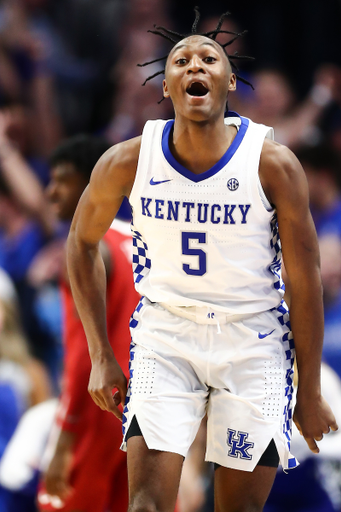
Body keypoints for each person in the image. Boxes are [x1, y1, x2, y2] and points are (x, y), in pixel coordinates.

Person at [66, 9, 338, 512]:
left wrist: (311, 389)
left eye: (209, 58)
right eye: (181, 60)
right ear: (166, 85)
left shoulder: (272, 163)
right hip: (165, 336)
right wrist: (102, 353)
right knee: (145, 505)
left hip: (252, 341)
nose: (195, 66)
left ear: (230, 81)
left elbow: (305, 282)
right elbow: (80, 243)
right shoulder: (127, 159)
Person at [37, 135, 139, 512]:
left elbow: (82, 357)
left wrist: (63, 441)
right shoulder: (142, 241)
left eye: (62, 180)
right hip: (148, 414)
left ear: (92, 182)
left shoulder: (83, 250)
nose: (51, 192)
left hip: (99, 412)